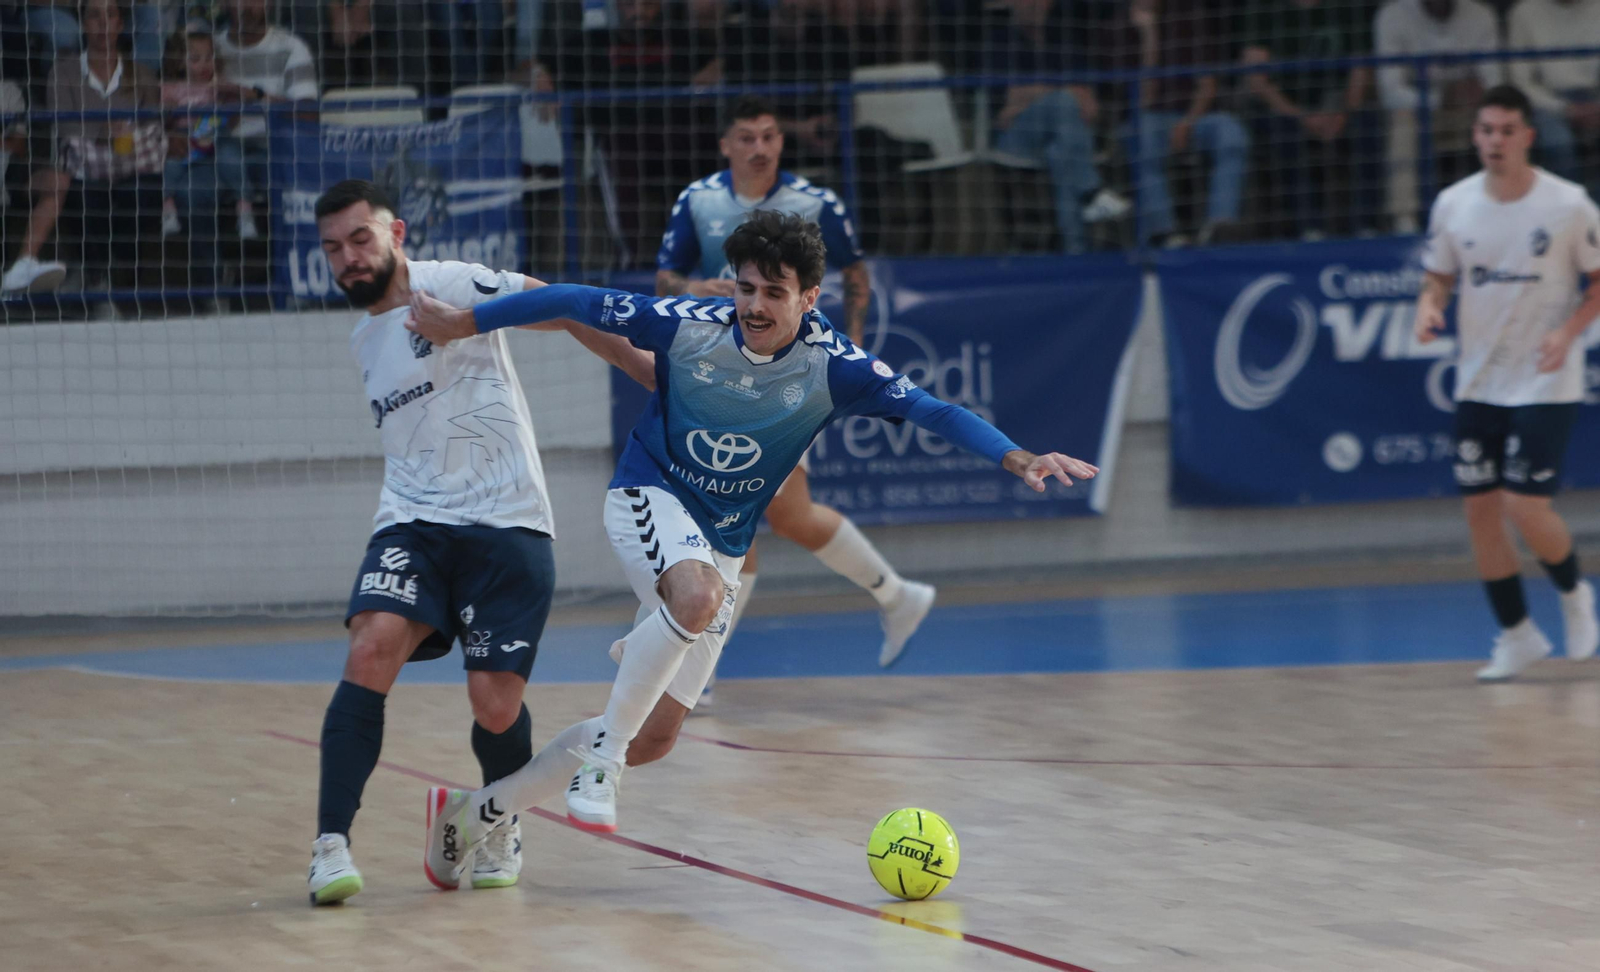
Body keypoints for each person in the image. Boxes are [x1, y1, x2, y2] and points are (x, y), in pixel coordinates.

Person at [408, 210, 1099, 885]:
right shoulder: (689, 325)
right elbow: (570, 300)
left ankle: (476, 814)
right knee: (693, 604)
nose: (755, 306)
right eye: (745, 288)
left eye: (774, 291)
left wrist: (1017, 456)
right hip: (650, 494)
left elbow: (933, 410)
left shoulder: (835, 365)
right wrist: (465, 322)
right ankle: (601, 760)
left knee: (656, 737)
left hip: (724, 540)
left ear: (809, 297)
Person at [304, 178, 651, 904]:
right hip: (413, 524)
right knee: (370, 648)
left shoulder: (450, 282)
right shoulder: (363, 339)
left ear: (396, 232)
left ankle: (497, 819)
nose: (349, 258)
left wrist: (639, 365)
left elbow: (562, 303)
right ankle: (330, 845)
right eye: (333, 248)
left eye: (361, 239)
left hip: (507, 520)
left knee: (494, 705)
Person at [657, 96, 936, 696]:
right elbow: (665, 279)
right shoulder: (698, 200)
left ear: (782, 141)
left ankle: (696, 674)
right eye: (747, 137)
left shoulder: (816, 202)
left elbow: (856, 276)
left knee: (732, 520)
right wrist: (696, 287)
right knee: (787, 514)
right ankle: (897, 595)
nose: (760, 148)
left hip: (783, 379)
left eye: (770, 135)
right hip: (714, 376)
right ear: (726, 145)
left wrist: (847, 362)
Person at [1414, 84, 1600, 681]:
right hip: (1480, 379)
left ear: (1527, 137)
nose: (1495, 141)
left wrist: (1567, 332)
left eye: (1506, 131)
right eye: (1486, 130)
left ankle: (1573, 590)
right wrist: (1428, 306)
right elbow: (1438, 276)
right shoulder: (1454, 204)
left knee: (1523, 503)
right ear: (1476, 136)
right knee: (1481, 510)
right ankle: (1517, 635)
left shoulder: (1568, 205)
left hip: (1546, 378)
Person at [2, 0, 163, 296]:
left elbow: (152, 130)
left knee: (145, 192)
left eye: (110, 15)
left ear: (121, 24)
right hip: (84, 169)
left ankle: (117, 274)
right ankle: (95, 278)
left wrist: (119, 138)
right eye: (94, 16)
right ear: (83, 24)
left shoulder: (142, 75)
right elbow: (66, 129)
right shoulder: (63, 72)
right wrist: (106, 132)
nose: (102, 24)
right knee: (83, 192)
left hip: (130, 168)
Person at [1236, 0, 1384, 239]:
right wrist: (1302, 117)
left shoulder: (1348, 7)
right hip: (1284, 107)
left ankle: (1366, 226)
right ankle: (1309, 228)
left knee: (1368, 125)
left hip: (1336, 104)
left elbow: (1360, 70)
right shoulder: (1262, 9)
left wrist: (1343, 113)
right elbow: (1257, 81)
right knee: (1284, 135)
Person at [1110, 0, 1248, 246]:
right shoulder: (1120, 26)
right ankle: (1165, 233)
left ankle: (1220, 225)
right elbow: (1143, 101)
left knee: (1231, 133)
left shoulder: (1188, 14)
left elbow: (1208, 85)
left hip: (1194, 116)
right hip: (1148, 119)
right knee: (1143, 141)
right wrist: (1149, 36)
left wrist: (1188, 122)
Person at [1375, 0, 1503, 232]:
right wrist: (1440, 98)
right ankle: (1405, 221)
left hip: (1467, 109)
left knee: (1498, 117)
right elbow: (1390, 91)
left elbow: (1494, 82)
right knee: (1402, 122)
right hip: (1421, 109)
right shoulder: (1393, 15)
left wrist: (1475, 93)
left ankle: (1501, 210)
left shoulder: (1481, 15)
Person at [159, 22, 259, 241]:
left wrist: (230, 92)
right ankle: (168, 209)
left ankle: (244, 209)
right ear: (179, 62)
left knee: (231, 155)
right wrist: (169, 112)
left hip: (214, 136)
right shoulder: (169, 88)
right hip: (184, 138)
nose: (204, 65)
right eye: (195, 59)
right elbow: (161, 120)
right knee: (170, 163)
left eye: (209, 58)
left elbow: (237, 106)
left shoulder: (217, 85)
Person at [1506, 0, 1600, 190]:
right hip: (1545, 102)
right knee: (1558, 142)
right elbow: (1520, 81)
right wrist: (1564, 108)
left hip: (1594, 98)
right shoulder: (1524, 12)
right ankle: (1567, 206)